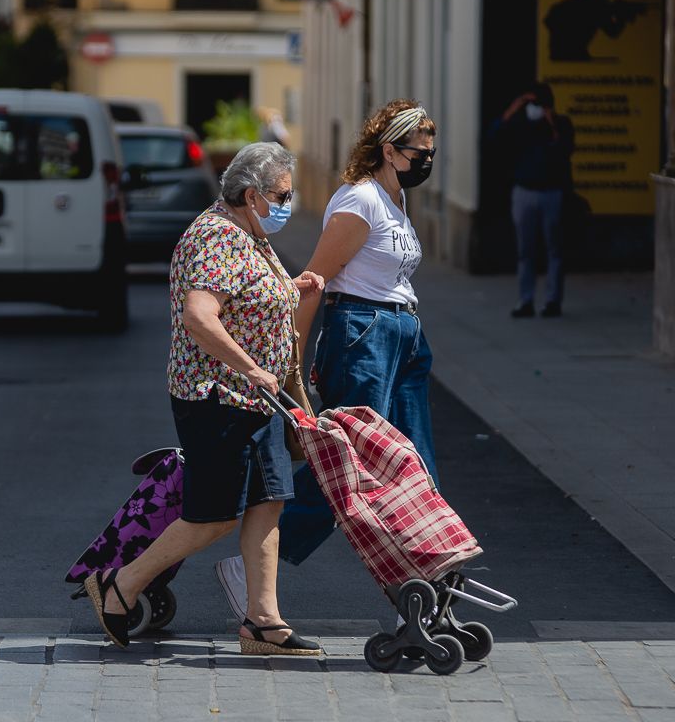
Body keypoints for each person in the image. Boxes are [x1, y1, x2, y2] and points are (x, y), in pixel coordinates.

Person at [83, 141, 326, 655]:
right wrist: (252, 367)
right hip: (218, 398)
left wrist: (292, 288)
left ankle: (263, 623)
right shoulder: (216, 237)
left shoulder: (250, 234)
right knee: (213, 514)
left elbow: (251, 296)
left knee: (269, 503)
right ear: (251, 194)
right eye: (281, 194)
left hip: (257, 400)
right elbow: (200, 315)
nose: (288, 202)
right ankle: (119, 585)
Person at [213, 100, 439, 620]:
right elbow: (313, 281)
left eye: (430, 152)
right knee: (348, 465)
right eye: (418, 152)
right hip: (363, 335)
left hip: (404, 335)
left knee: (416, 467)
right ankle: (250, 565)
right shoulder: (359, 203)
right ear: (389, 150)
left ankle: (423, 582)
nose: (426, 161)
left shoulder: (396, 199)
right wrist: (291, 361)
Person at [490, 81, 574, 318]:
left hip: (552, 193)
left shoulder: (561, 124)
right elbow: (494, 134)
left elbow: (565, 149)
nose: (534, 109)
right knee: (526, 250)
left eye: (538, 104)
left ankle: (552, 300)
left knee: (554, 249)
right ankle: (525, 300)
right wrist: (514, 109)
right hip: (524, 192)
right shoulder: (521, 126)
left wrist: (551, 121)